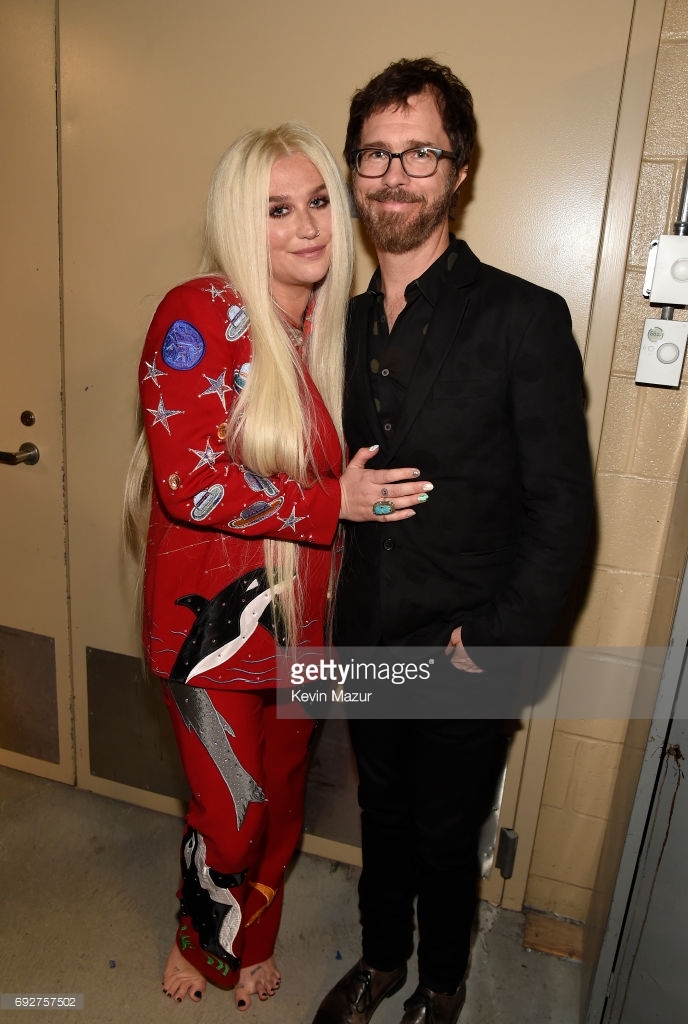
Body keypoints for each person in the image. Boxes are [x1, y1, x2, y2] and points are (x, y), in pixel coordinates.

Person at [124, 122, 432, 1012]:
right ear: (238, 221)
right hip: (210, 633)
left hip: (308, 626)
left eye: (320, 202)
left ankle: (252, 936)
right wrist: (334, 503)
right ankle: (202, 935)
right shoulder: (199, 315)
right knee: (233, 812)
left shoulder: (336, 332)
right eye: (277, 209)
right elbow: (190, 483)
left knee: (284, 798)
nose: (307, 226)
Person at [312, 59, 594, 1024]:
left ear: (459, 170)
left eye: (420, 153)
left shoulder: (524, 318)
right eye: (375, 155)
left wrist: (497, 640)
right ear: (354, 171)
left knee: (444, 832)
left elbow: (563, 508)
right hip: (367, 633)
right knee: (381, 816)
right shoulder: (334, 327)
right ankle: (380, 961)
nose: (395, 175)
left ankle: (440, 985)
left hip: (467, 645)